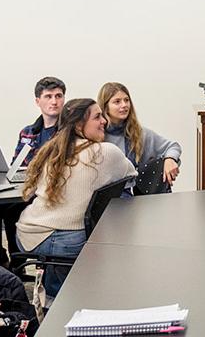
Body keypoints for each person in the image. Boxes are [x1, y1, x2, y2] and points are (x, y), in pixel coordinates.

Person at [15, 98, 136, 298]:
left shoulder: (52, 150)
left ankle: (51, 295)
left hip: (28, 235)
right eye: (97, 117)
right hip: (67, 240)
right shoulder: (105, 151)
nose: (104, 121)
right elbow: (132, 174)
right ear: (80, 125)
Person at [0, 77, 66, 273]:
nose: (54, 101)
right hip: (23, 187)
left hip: (48, 190)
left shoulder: (68, 132)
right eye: (48, 96)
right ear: (38, 101)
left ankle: (18, 262)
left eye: (58, 96)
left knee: (13, 211)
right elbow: (16, 165)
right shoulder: (28, 132)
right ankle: (0, 262)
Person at [97, 82, 181, 193]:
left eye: (126, 100)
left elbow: (173, 146)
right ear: (105, 106)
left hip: (133, 199)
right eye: (117, 102)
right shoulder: (96, 135)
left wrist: (170, 159)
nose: (124, 105)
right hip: (104, 198)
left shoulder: (138, 133)